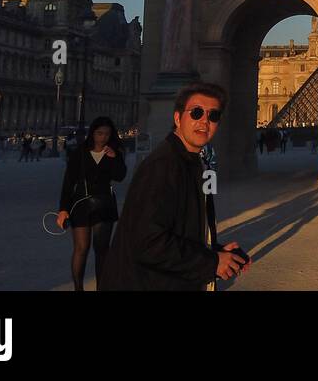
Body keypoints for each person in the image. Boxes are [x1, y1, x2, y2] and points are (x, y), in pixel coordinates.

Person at [100, 82, 249, 291]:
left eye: (213, 115)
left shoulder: (189, 162)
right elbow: (147, 242)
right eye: (196, 113)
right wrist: (211, 262)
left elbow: (174, 230)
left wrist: (214, 252)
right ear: (177, 118)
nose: (204, 121)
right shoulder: (163, 166)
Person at [56, 116, 128, 290]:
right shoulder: (79, 152)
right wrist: (63, 209)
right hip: (80, 204)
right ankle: (78, 287)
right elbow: (68, 182)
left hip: (104, 205)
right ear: (92, 133)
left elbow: (120, 176)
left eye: (107, 134)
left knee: (102, 250)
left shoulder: (114, 152)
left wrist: (113, 158)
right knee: (81, 248)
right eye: (99, 133)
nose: (103, 137)